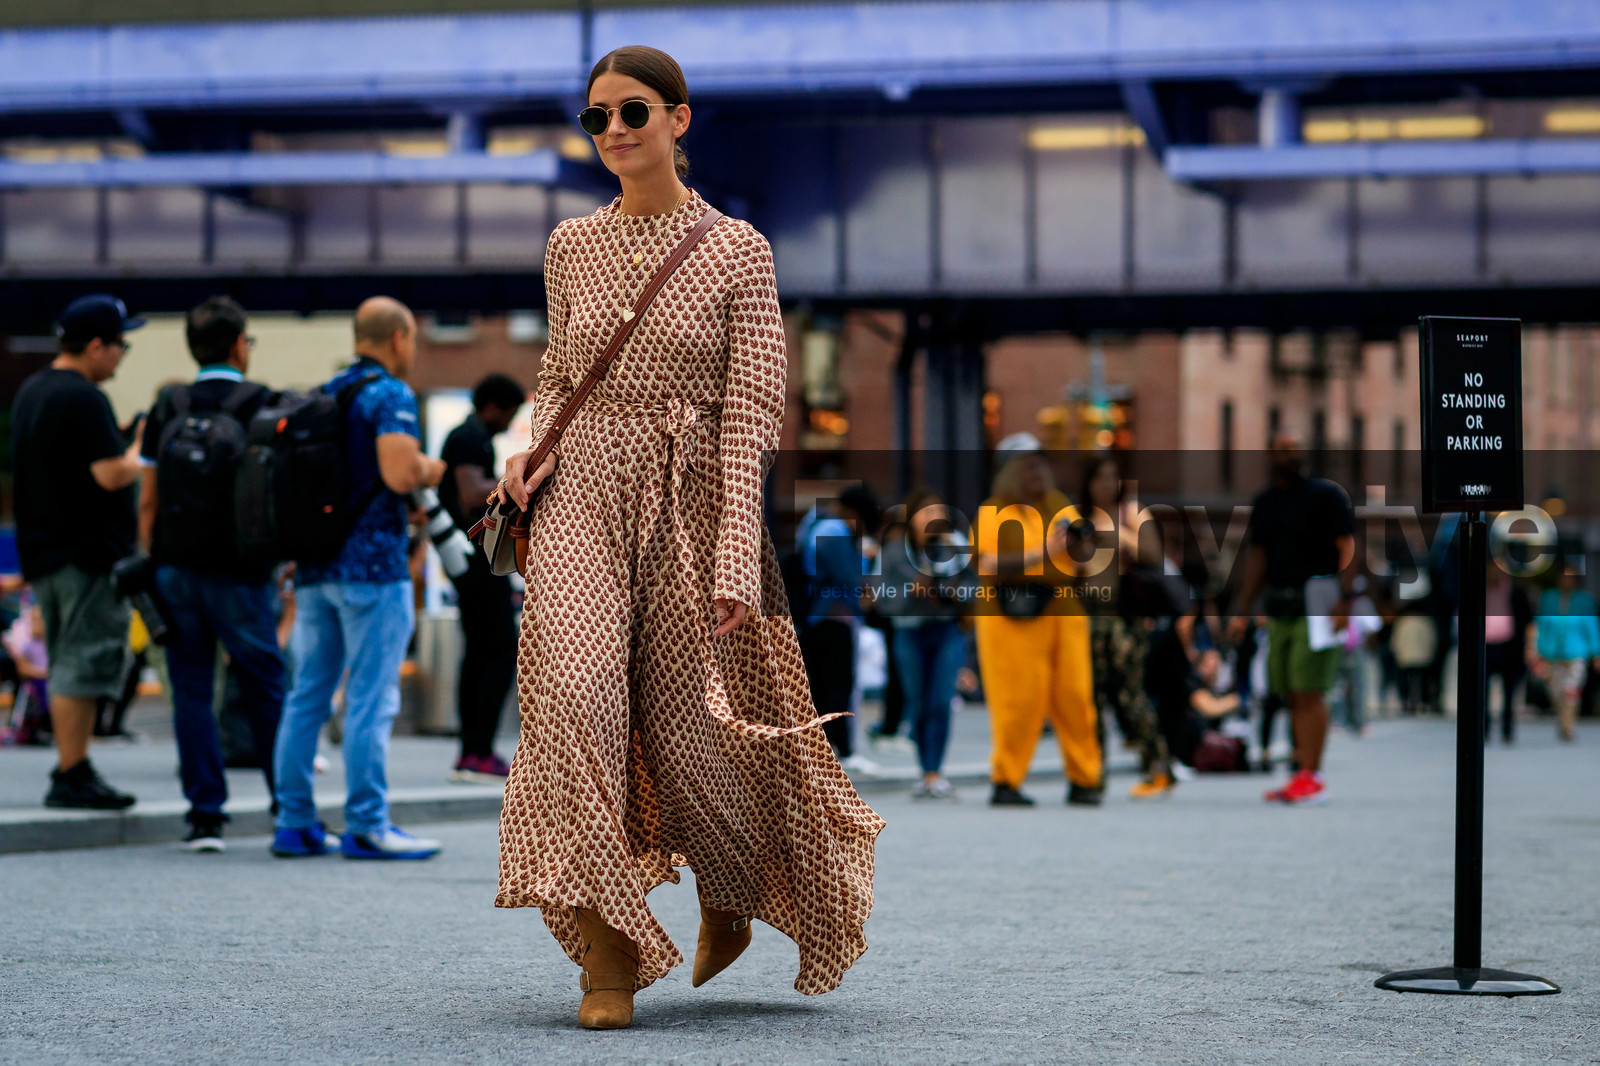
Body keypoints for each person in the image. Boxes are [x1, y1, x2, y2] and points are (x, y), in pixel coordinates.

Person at [491, 45, 882, 1030]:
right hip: (581, 487)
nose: (614, 130)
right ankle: (609, 951)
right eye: (597, 117)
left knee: (691, 732)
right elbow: (558, 371)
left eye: (633, 111)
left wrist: (736, 547)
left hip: (692, 498)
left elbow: (752, 408)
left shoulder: (739, 248)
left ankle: (733, 890)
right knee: (573, 693)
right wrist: (529, 445)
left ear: (678, 119)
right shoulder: (569, 244)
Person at [271, 297, 448, 860]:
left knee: (307, 697)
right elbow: (400, 472)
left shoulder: (324, 392)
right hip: (373, 570)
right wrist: (430, 468)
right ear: (398, 337)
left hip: (315, 568)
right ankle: (368, 825)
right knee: (371, 699)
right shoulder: (389, 394)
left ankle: (294, 822)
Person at [132, 297, 285, 851]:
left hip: (176, 570)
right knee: (266, 685)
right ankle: (287, 807)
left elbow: (147, 501)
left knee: (191, 691)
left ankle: (204, 817)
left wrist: (155, 561)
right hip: (239, 571)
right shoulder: (260, 404)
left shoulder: (168, 405)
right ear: (240, 345)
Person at [10, 295, 146, 810]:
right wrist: (140, 450)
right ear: (95, 346)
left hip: (43, 550)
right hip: (84, 555)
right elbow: (110, 474)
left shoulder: (32, 390)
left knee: (68, 656)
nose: (121, 356)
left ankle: (75, 766)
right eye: (120, 345)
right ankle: (72, 770)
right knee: (81, 662)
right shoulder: (84, 398)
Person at [973, 433, 1102, 807]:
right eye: (1028, 465)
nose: (1038, 471)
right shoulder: (993, 511)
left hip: (1063, 607)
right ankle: (1006, 780)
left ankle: (1085, 779)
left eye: (1041, 463)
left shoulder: (1059, 504)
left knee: (1075, 695)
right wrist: (1045, 551)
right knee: (1019, 700)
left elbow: (1082, 557)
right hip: (1011, 613)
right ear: (1009, 472)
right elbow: (989, 564)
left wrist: (1080, 544)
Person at [1228, 432, 1356, 806]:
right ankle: (1301, 771)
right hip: (1278, 605)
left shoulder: (1326, 495)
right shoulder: (1264, 503)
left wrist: (1345, 600)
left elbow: (1347, 545)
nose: (1293, 454)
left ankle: (1312, 775)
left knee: (1308, 690)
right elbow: (1258, 557)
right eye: (1285, 449)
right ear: (1270, 455)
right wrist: (1242, 609)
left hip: (1317, 602)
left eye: (1298, 447)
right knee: (1287, 690)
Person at [439, 373, 526, 783]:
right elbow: (471, 493)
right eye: (509, 413)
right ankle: (479, 750)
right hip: (478, 562)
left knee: (478, 651)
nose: (509, 422)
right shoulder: (470, 437)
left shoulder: (468, 435)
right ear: (493, 407)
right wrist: (518, 481)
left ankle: (471, 752)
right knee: (499, 648)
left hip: (469, 562)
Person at [1078, 455, 1175, 799]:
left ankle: (1158, 766)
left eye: (1112, 476)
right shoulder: (1080, 519)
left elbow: (1153, 553)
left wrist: (1116, 534)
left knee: (1130, 693)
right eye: (1099, 477)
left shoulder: (1131, 513)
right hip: (1090, 615)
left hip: (1126, 616)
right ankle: (1094, 770)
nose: (1106, 484)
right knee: (1092, 696)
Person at [876, 488, 975, 799]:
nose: (934, 518)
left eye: (939, 512)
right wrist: (912, 590)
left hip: (946, 630)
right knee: (917, 702)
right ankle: (925, 771)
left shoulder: (954, 548)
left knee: (941, 701)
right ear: (912, 517)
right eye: (927, 512)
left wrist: (956, 593)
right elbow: (880, 598)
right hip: (909, 631)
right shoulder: (894, 552)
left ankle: (935, 772)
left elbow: (973, 586)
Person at [797, 484, 881, 772]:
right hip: (831, 617)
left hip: (819, 618)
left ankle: (826, 751)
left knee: (821, 687)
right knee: (837, 686)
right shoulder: (833, 530)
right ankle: (840, 750)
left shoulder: (816, 523)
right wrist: (866, 558)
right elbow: (847, 576)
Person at [1528, 566, 1600, 743]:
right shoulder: (1549, 598)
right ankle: (1563, 719)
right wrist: (1536, 649)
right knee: (1555, 691)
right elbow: (1541, 625)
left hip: (1576, 652)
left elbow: (1591, 627)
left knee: (1571, 689)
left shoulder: (1585, 601)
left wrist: (1596, 653)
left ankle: (1568, 724)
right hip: (1551, 652)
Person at [1483, 556, 1533, 745]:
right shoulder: (1480, 590)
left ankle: (1507, 728)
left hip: (1509, 647)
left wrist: (1528, 647)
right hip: (1486, 647)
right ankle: (1483, 728)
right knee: (1482, 691)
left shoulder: (1515, 592)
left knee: (1509, 692)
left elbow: (1527, 620)